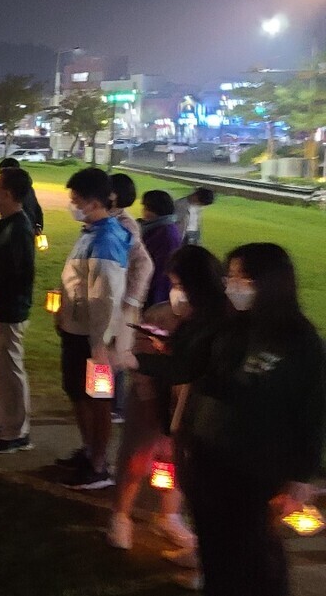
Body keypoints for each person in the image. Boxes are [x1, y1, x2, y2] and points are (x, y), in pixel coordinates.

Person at [135, 243, 324, 595]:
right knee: (214, 548)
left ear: (269, 283)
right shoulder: (231, 327)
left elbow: (311, 412)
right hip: (206, 456)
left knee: (253, 552)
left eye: (241, 277)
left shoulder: (300, 341)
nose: (231, 285)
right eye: (230, 276)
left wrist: (300, 476)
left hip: (255, 466)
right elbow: (189, 368)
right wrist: (137, 360)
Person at [108, 246, 222, 553]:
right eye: (172, 285)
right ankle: (121, 514)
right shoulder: (159, 313)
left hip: (189, 407)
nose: (176, 293)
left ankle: (169, 515)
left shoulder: (217, 322)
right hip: (150, 398)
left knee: (174, 461)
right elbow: (142, 356)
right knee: (136, 457)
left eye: (181, 286)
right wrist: (146, 395)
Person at [54, 167, 130, 490]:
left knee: (98, 401)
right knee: (78, 395)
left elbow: (106, 298)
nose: (72, 205)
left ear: (93, 201)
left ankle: (99, 464)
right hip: (77, 333)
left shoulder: (106, 240)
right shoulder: (90, 233)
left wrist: (101, 344)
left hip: (94, 341)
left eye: (76, 200)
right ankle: (89, 452)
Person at [0, 167, 36, 453]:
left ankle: (17, 431)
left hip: (9, 310)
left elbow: (17, 275)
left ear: (10, 193)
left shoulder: (19, 227)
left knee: (10, 369)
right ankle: (4, 416)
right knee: (0, 368)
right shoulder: (7, 223)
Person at [109, 173, 155, 424]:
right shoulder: (109, 221)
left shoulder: (124, 224)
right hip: (109, 301)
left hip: (120, 302)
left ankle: (114, 406)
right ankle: (106, 402)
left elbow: (143, 263)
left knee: (114, 352)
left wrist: (132, 301)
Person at [140, 190, 183, 307]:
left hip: (155, 293)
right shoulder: (155, 228)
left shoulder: (165, 233)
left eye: (145, 207)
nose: (142, 211)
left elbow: (160, 269)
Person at [0, 157, 44, 234]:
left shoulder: (15, 191)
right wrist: (38, 225)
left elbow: (35, 208)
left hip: (21, 228)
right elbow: (37, 208)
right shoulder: (29, 188)